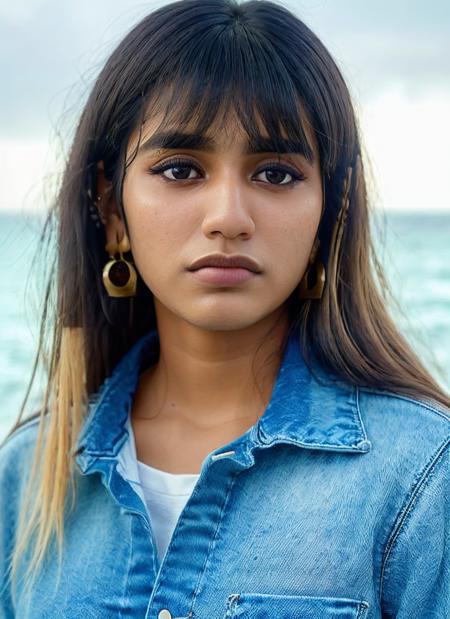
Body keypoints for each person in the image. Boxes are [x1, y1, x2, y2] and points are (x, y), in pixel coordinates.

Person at [0, 0, 449, 617]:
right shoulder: (26, 479)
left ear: (331, 211)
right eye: (181, 169)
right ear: (111, 210)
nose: (228, 219)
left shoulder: (423, 476)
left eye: (276, 174)